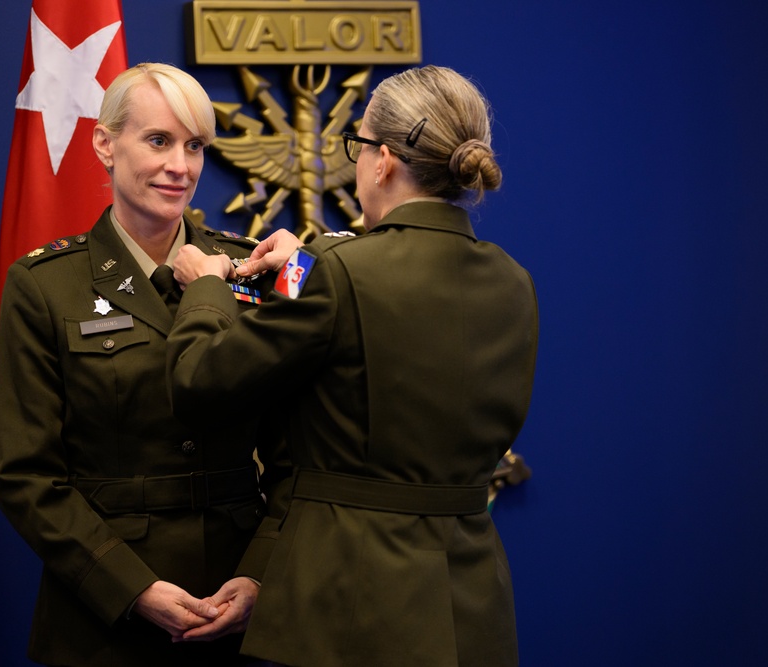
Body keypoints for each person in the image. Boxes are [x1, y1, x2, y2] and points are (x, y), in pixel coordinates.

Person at [166, 64, 538, 666]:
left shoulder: (343, 273)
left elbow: (198, 382)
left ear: (382, 159)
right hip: (469, 602)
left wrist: (206, 288)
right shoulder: (512, 281)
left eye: (356, 146)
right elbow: (381, 332)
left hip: (352, 604)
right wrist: (302, 267)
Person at [0, 63, 280, 667]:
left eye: (194, 145)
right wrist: (132, 588)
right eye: (158, 140)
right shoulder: (45, 285)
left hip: (242, 613)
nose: (181, 166)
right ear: (104, 144)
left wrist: (259, 577)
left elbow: (300, 455)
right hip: (104, 620)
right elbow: (25, 474)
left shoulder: (251, 272)